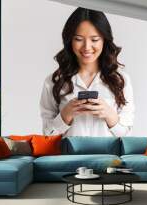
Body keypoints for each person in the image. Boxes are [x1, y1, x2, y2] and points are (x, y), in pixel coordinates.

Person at [40, 7, 134, 137]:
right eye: (78, 39)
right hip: (68, 157)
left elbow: (126, 136)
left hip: (107, 157)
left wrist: (109, 115)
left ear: (104, 40)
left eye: (94, 40)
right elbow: (47, 135)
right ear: (70, 40)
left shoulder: (121, 80)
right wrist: (65, 115)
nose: (86, 47)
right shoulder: (53, 82)